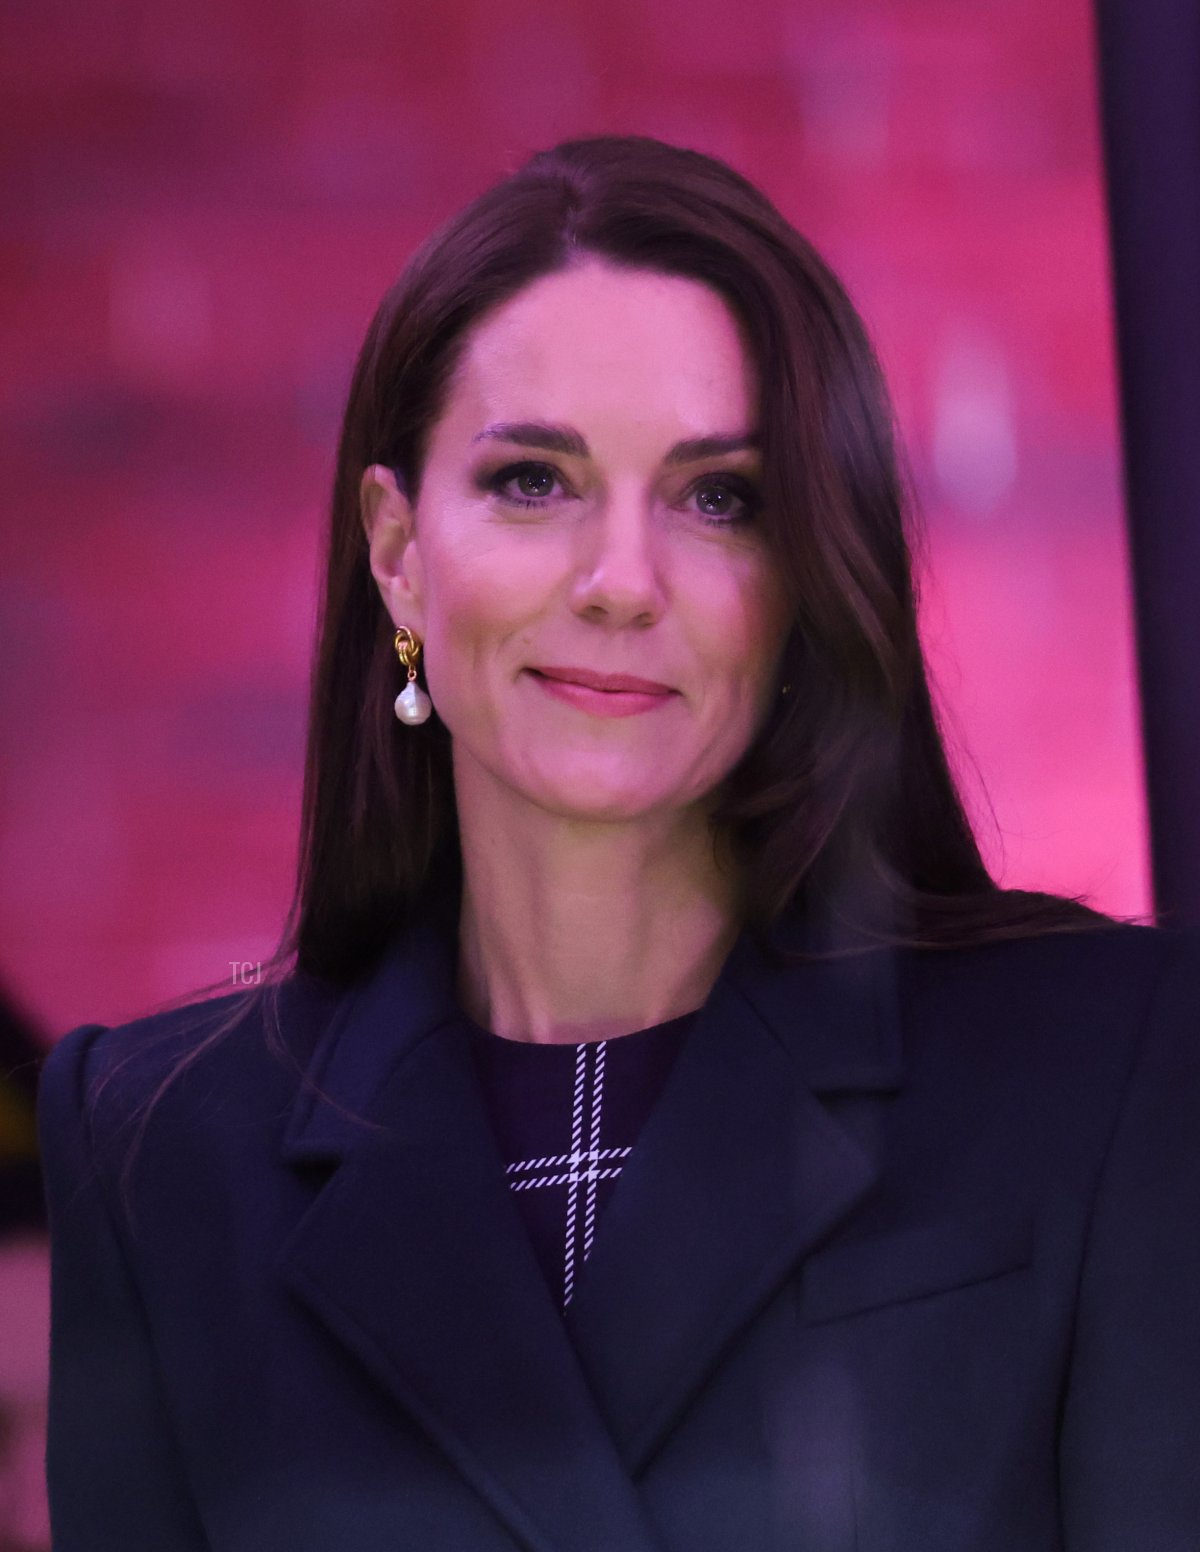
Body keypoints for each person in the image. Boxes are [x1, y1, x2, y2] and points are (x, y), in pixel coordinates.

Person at [37, 135, 1200, 1551]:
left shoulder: (1100, 1062)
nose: (621, 583)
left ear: (805, 572)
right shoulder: (158, 1150)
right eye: (536, 481)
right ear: (398, 548)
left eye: (720, 499)